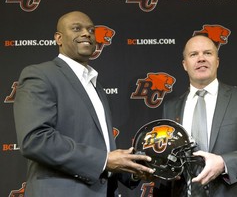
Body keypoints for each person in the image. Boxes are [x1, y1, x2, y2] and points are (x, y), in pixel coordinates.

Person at [13, 11, 154, 197]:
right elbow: (35, 139)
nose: (86, 33)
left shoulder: (97, 87)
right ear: (59, 38)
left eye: (91, 30)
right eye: (76, 28)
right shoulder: (40, 75)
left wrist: (132, 169)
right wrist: (104, 161)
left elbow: (102, 149)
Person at [153, 35, 237, 196]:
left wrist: (224, 162)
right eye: (193, 54)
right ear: (185, 65)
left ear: (217, 61)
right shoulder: (170, 107)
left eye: (208, 53)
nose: (201, 58)